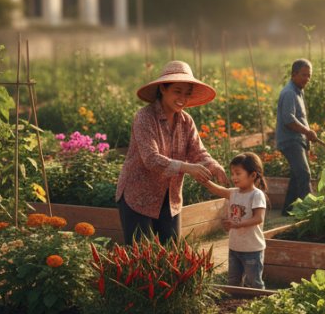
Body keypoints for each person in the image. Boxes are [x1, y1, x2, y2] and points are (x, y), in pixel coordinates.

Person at [115, 60, 226, 245]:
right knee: (140, 256)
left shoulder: (186, 121)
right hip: (138, 196)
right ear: (163, 89)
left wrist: (214, 166)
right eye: (177, 91)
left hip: (170, 197)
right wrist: (187, 167)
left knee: (172, 252)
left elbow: (198, 151)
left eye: (187, 93)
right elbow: (151, 159)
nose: (183, 98)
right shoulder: (144, 117)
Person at [202, 152, 268, 289]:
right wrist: (203, 180)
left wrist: (236, 224)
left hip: (252, 249)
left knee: (254, 283)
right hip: (235, 247)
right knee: (233, 281)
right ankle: (235, 301)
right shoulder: (234, 193)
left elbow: (258, 218)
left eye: (238, 173)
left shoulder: (256, 195)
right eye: (232, 173)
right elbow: (217, 190)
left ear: (253, 175)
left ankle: (258, 300)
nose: (234, 177)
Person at [276, 59, 318, 214]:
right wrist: (307, 132)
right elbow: (289, 120)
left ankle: (288, 210)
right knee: (303, 174)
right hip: (290, 141)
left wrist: (306, 137)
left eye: (309, 75)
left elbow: (299, 118)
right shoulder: (289, 93)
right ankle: (311, 211)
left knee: (296, 176)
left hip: (297, 140)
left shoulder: (298, 91)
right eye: (304, 75)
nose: (307, 79)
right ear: (294, 74)